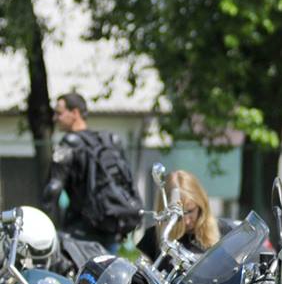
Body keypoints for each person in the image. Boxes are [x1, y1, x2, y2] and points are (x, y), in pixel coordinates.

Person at [42, 92, 139, 252]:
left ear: (75, 113)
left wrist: (44, 225)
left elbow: (53, 188)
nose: (55, 118)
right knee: (107, 267)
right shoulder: (108, 141)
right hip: (111, 226)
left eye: (59, 113)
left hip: (79, 232)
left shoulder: (69, 143)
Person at [137, 170, 231, 262]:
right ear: (165, 210)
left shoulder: (224, 232)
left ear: (201, 205)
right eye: (178, 214)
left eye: (190, 211)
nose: (187, 221)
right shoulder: (153, 237)